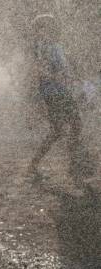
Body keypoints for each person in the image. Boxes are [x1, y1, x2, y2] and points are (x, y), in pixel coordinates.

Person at [27, 14, 92, 184]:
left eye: (52, 25)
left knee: (68, 127)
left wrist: (70, 78)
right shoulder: (41, 48)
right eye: (47, 26)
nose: (53, 28)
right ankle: (71, 164)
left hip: (59, 90)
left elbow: (62, 69)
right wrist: (57, 77)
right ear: (40, 30)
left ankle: (70, 163)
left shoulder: (52, 45)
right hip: (53, 92)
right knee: (66, 127)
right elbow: (39, 71)